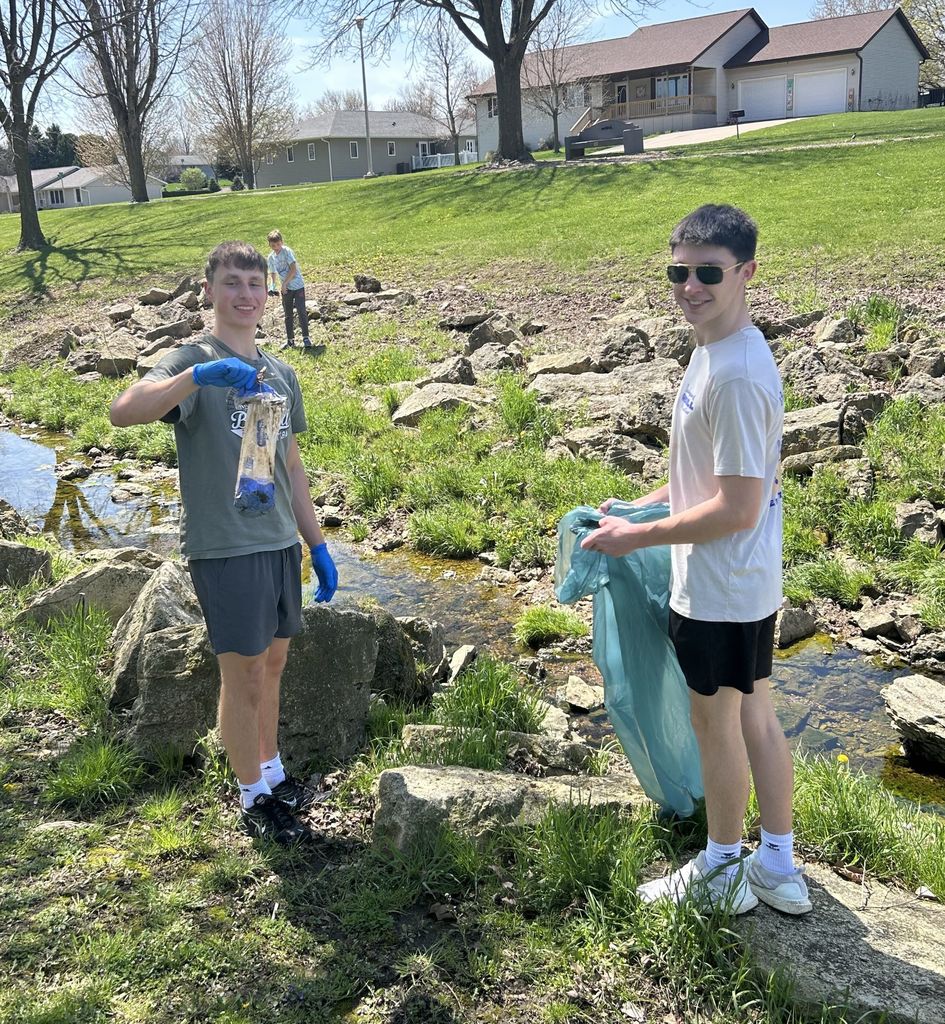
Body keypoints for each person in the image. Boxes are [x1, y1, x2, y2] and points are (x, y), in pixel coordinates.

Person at [581, 204, 811, 916]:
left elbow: (738, 507)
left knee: (717, 726)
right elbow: (715, 478)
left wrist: (633, 541)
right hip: (744, 582)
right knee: (754, 718)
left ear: (745, 272)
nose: (688, 286)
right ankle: (776, 863)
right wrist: (645, 506)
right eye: (677, 271)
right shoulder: (716, 348)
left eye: (706, 272)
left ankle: (720, 870)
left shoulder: (736, 373)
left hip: (718, 587)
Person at [109, 240, 339, 845]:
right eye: (232, 283)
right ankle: (251, 797)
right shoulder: (192, 356)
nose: (245, 295)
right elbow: (122, 410)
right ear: (208, 291)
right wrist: (196, 378)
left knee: (275, 664)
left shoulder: (282, 373)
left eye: (255, 284)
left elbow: (291, 466)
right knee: (242, 677)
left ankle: (271, 769)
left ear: (269, 294)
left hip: (278, 543)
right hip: (225, 547)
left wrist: (315, 544)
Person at [266, 229, 323, 353]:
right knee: (288, 314)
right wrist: (272, 286)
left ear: (282, 242)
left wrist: (285, 283)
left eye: (278, 244)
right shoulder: (271, 257)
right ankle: (290, 340)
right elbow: (272, 272)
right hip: (285, 289)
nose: (276, 247)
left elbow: (293, 270)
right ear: (270, 245)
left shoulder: (287, 252)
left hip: (297, 286)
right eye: (273, 245)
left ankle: (306, 338)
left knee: (302, 311)